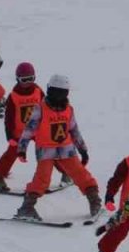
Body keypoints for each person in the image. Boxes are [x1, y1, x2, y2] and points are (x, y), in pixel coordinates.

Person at [12, 74, 103, 220]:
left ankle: (94, 201)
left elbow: (74, 130)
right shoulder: (40, 108)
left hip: (66, 149)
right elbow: (29, 130)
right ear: (49, 91)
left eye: (61, 92)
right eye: (55, 92)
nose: (58, 96)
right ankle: (27, 207)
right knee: (42, 180)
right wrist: (22, 149)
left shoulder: (68, 109)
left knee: (81, 174)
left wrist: (82, 149)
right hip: (46, 150)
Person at [0, 62, 43, 192]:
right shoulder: (14, 96)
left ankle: (66, 173)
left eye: (31, 79)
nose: (28, 82)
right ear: (18, 79)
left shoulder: (38, 92)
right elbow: (8, 119)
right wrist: (10, 136)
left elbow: (46, 109)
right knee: (10, 154)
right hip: (19, 133)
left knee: (51, 151)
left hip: (38, 130)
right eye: (24, 80)